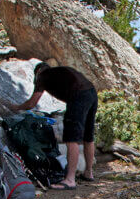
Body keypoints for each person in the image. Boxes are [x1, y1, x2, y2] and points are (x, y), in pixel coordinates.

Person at [14, 62, 97, 190]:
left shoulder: (42, 76)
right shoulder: (58, 72)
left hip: (78, 96)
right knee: (88, 136)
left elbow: (32, 103)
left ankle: (70, 179)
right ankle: (88, 172)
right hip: (92, 93)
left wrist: (17, 107)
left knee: (71, 139)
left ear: (37, 72)